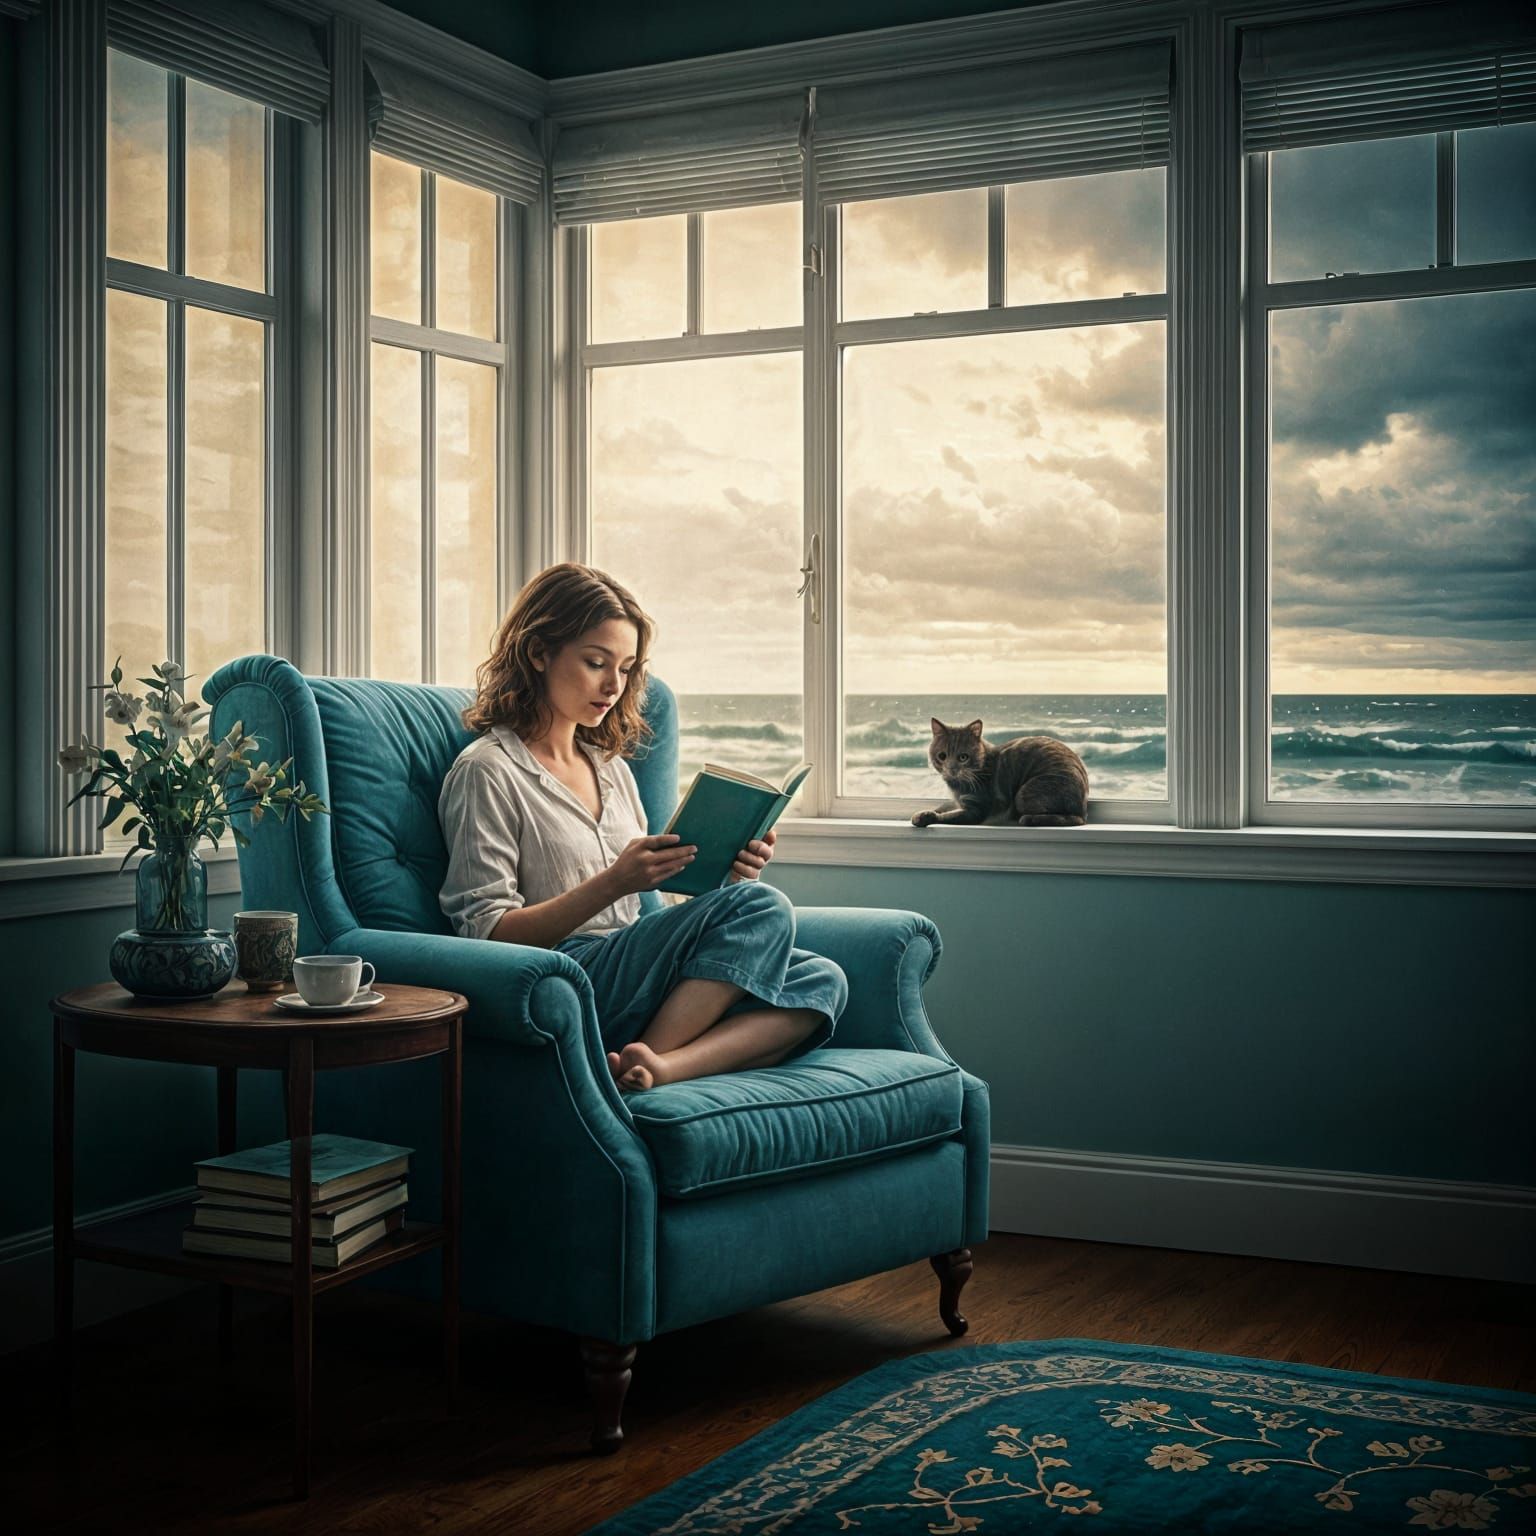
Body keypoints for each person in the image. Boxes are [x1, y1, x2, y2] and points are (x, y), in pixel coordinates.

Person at [437, 562, 847, 1093]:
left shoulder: (610, 768)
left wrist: (727, 878)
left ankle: (658, 1067)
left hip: (639, 967)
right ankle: (647, 1062)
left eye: (627, 669)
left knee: (820, 979)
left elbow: (670, 909)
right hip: (568, 975)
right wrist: (614, 882)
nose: (613, 685)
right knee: (766, 909)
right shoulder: (487, 771)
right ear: (539, 653)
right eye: (595, 662)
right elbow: (485, 934)